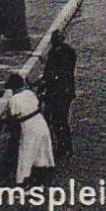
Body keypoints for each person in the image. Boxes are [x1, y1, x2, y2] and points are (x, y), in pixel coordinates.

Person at [0, 72, 57, 185]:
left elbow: (11, 118)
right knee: (42, 152)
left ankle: (23, 182)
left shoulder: (14, 100)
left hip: (28, 127)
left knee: (26, 154)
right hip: (41, 123)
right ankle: (43, 179)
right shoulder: (30, 93)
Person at [41, 29, 78, 161]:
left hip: (59, 91)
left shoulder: (60, 53)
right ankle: (63, 145)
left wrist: (46, 79)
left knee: (59, 120)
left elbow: (54, 72)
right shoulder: (66, 51)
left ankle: (64, 147)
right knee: (59, 120)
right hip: (62, 90)